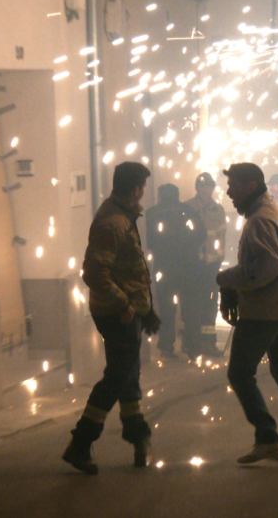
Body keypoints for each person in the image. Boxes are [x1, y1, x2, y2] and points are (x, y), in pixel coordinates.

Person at [63, 162, 158, 475]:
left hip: (129, 310)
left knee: (128, 373)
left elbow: (132, 270)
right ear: (135, 189)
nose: (144, 191)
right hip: (116, 313)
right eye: (142, 186)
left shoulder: (124, 217)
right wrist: (124, 305)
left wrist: (148, 309)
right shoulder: (113, 223)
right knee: (118, 375)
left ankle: (136, 434)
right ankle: (81, 442)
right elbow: (94, 272)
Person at [217, 163, 278, 464]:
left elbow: (268, 267)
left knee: (239, 373)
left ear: (252, 185)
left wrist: (229, 279)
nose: (229, 192)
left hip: (265, 310)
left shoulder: (260, 219)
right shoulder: (273, 210)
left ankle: (269, 437)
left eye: (234, 185)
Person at [145, 183, 207, 360]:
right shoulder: (188, 211)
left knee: (166, 309)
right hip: (190, 267)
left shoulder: (152, 214)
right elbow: (202, 235)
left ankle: (166, 347)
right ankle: (193, 347)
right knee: (191, 307)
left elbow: (148, 240)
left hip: (165, 268)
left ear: (160, 196)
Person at [185, 172, 229, 356]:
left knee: (211, 301)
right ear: (197, 188)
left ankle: (209, 342)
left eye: (209, 187)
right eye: (203, 187)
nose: (206, 190)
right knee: (194, 302)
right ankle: (192, 343)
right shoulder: (188, 207)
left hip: (212, 264)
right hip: (194, 263)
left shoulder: (218, 209)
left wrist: (218, 258)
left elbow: (221, 234)